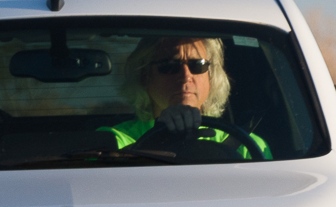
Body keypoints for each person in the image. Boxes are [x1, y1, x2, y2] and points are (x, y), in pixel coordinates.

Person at [103, 36, 270, 159]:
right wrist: (152, 143)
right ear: (144, 77)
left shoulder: (248, 145)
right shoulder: (114, 139)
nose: (185, 76)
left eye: (198, 65)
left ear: (211, 77)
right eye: (169, 66)